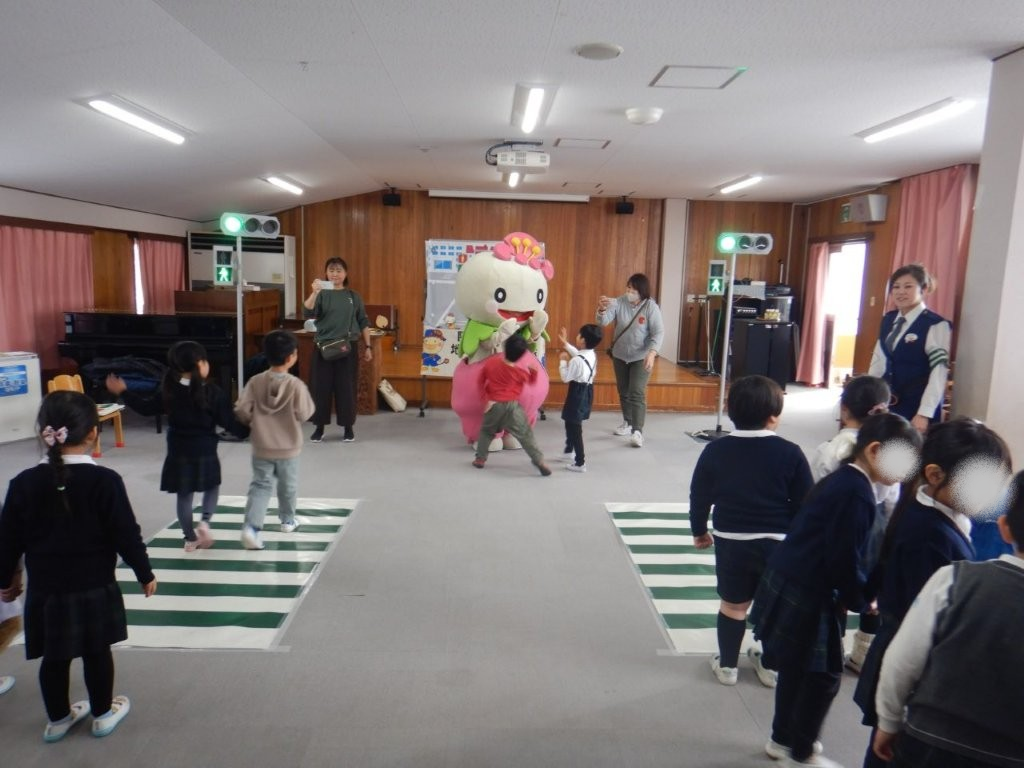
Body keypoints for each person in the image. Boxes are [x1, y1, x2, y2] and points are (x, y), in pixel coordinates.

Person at [751, 413, 922, 767]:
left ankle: (782, 740)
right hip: (809, 588)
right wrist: (861, 599)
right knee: (825, 677)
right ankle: (800, 752)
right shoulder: (857, 494)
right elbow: (843, 558)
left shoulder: (846, 479)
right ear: (874, 451)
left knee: (797, 669)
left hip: (793, 576)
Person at [854, 417, 1011, 768]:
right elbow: (923, 627)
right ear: (936, 475)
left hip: (909, 659)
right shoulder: (929, 537)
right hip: (913, 669)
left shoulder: (931, 508)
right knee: (889, 752)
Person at [0, 391, 157, 741]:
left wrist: (7, 579)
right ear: (93, 433)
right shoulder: (105, 481)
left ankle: (57, 720)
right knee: (97, 652)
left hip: (46, 590)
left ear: (45, 431)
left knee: (53, 657)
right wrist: (144, 572)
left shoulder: (22, 483)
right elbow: (126, 533)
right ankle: (102, 714)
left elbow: (8, 539)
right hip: (94, 586)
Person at [690, 374, 813, 689]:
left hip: (733, 541)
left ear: (730, 411)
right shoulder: (791, 452)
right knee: (774, 607)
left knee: (733, 605)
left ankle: (728, 667)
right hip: (779, 544)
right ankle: (770, 668)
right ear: (773, 416)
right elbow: (806, 503)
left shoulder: (716, 451)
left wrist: (699, 530)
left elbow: (700, 495)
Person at [107, 340, 249, 552]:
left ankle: (190, 538)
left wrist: (124, 392)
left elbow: (146, 408)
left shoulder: (169, 389)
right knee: (211, 487)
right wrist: (247, 431)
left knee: (184, 495)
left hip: (178, 451)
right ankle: (205, 522)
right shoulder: (213, 392)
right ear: (200, 364)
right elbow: (228, 421)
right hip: (205, 450)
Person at [811, 374, 896, 674]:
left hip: (836, 529)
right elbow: (892, 499)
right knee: (871, 591)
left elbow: (818, 491)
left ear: (844, 410)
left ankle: (832, 649)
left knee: (838, 588)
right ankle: (863, 653)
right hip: (876, 528)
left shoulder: (831, 449)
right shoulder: (889, 450)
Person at [234, 330, 315, 551]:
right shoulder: (296, 385)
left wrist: (254, 421)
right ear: (291, 357)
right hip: (289, 447)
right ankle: (287, 520)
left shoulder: (255, 381)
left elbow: (241, 409)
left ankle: (251, 528)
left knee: (260, 485)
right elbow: (305, 413)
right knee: (288, 485)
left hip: (262, 445)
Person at [868, 263, 951, 433]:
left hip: (917, 405)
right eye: (896, 287)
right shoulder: (888, 320)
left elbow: (938, 372)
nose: (900, 292)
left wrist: (924, 413)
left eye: (908, 286)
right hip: (887, 402)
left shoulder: (935, 324)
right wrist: (871, 396)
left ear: (924, 289)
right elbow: (878, 360)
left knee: (908, 448)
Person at [303, 257, 372, 443]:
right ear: (326, 273)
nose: (335, 274)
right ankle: (319, 428)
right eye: (331, 270)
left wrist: (368, 346)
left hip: (347, 347)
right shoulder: (321, 294)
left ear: (345, 273)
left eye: (339, 270)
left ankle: (348, 428)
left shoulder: (353, 296)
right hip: (323, 348)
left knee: (346, 388)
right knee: (320, 388)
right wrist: (314, 293)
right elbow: (307, 312)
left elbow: (363, 322)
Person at [596, 272, 664, 447]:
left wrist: (652, 353)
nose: (629, 292)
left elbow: (658, 332)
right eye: (628, 288)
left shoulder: (651, 307)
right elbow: (603, 321)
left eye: (633, 290)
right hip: (620, 355)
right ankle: (627, 421)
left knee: (636, 391)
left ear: (642, 291)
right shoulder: (619, 302)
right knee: (623, 390)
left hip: (641, 356)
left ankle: (637, 431)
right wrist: (602, 310)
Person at [470, 334, 551, 476]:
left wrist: (485, 400)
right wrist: (533, 372)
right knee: (525, 434)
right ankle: (539, 460)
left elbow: (479, 382)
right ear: (521, 355)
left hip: (494, 405)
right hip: (513, 407)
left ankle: (480, 459)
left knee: (486, 432)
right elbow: (531, 382)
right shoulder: (520, 372)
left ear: (505, 347)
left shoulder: (491, 363)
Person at [557, 323, 602, 472]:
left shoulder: (576, 361)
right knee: (571, 421)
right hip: (587, 391)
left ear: (582, 340)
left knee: (575, 427)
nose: (576, 336)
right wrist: (565, 344)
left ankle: (580, 463)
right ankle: (569, 450)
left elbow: (565, 378)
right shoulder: (591, 353)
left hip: (577, 392)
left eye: (578, 334)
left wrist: (563, 361)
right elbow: (578, 354)